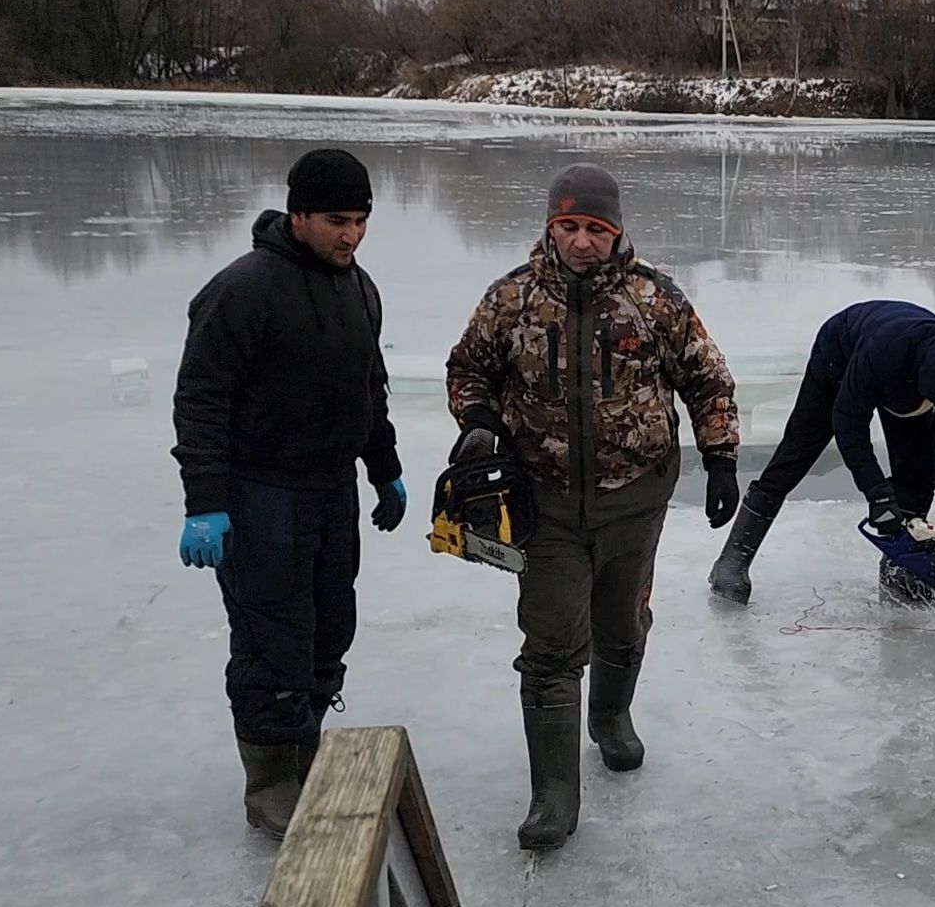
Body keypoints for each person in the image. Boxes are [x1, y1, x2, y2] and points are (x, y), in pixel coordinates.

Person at [445, 162, 739, 851]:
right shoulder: (510, 300)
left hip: (634, 501)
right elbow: (468, 369)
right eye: (569, 226)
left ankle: (610, 720)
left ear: (616, 231)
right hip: (541, 503)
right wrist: (479, 418)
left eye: (595, 229)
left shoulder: (654, 300)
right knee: (549, 648)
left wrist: (721, 457)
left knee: (623, 622)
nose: (581, 241)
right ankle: (553, 794)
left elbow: (707, 378)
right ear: (551, 226)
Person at [171, 148, 407, 840]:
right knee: (273, 640)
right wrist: (204, 501)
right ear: (298, 214)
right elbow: (201, 402)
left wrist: (383, 465)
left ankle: (304, 753)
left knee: (330, 628)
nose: (352, 235)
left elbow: (370, 387)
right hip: (261, 495)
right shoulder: (242, 290)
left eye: (362, 221)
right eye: (338, 220)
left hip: (330, 493)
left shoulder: (360, 289)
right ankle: (272, 783)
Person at [707, 300, 935, 607]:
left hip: (907, 374)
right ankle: (734, 558)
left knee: (919, 474)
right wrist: (876, 492)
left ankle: (901, 570)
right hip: (839, 356)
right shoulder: (882, 355)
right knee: (795, 455)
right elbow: (848, 424)